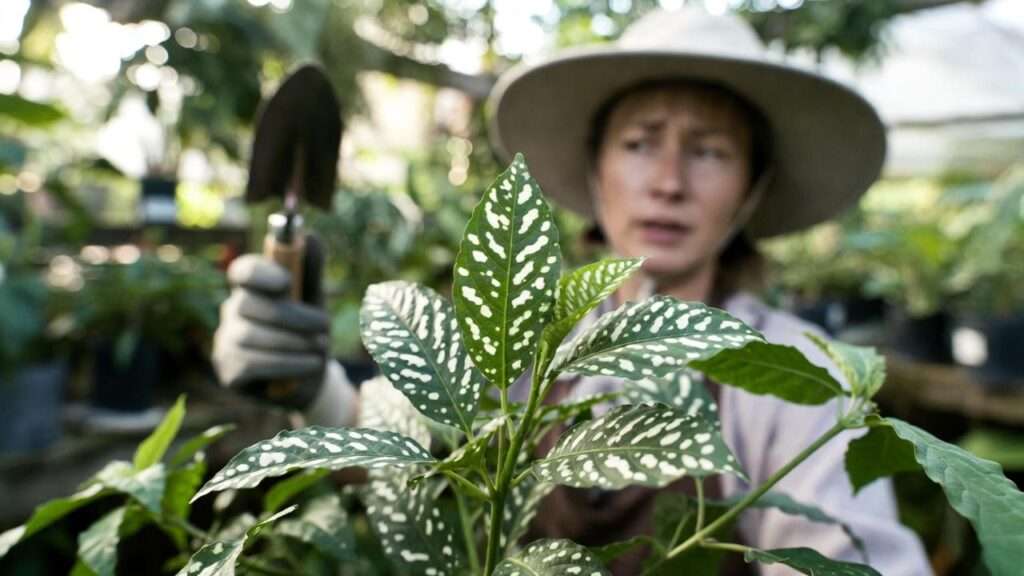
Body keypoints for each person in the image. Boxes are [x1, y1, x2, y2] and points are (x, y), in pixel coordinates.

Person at [213, 7, 931, 575]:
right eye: (640, 142)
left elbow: (850, 557)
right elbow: (424, 467)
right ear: (594, 171)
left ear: (753, 189)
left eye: (710, 151)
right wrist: (313, 388)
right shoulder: (530, 333)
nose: (670, 181)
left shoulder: (788, 374)